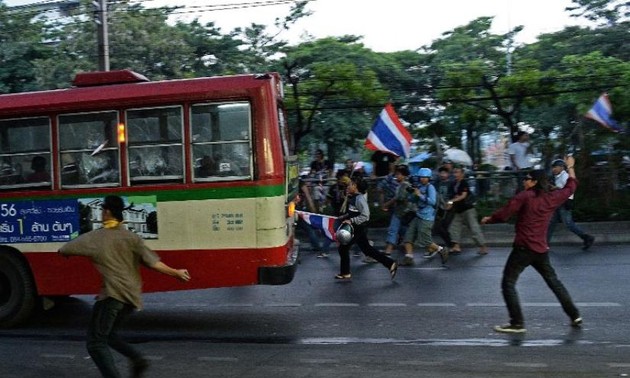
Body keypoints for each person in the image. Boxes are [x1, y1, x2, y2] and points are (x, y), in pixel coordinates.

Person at [58, 195, 191, 377]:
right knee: (110, 335)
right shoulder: (132, 237)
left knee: (96, 343)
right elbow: (153, 263)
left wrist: (68, 254)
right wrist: (176, 272)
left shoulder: (95, 237)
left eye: (103, 210)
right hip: (131, 297)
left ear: (106, 212)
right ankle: (137, 359)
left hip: (112, 296)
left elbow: (65, 249)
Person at [480, 156, 582, 334]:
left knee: (508, 283)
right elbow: (571, 187)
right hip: (541, 249)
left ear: (534, 182)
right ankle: (574, 314)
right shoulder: (552, 197)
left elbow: (505, 213)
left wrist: (489, 219)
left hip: (523, 247)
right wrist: (571, 167)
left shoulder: (525, 196)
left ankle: (517, 323)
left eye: (527, 178)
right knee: (554, 282)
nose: (525, 181)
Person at [335, 175, 398, 280]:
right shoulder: (354, 198)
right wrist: (344, 216)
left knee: (343, 248)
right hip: (357, 227)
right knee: (367, 250)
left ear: (355, 187)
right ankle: (390, 263)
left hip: (357, 228)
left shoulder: (359, 199)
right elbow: (354, 212)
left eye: (350, 184)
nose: (347, 186)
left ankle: (345, 272)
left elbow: (365, 216)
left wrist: (351, 220)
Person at [400, 168, 448, 266]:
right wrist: (411, 193)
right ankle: (409, 257)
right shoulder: (419, 187)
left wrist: (420, 195)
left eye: (425, 177)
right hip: (418, 215)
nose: (423, 179)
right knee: (408, 236)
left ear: (429, 178)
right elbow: (412, 200)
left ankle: (441, 250)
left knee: (425, 240)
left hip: (427, 217)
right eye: (421, 177)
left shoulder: (430, 187)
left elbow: (432, 201)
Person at [547, 159, 595, 250]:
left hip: (564, 202)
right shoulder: (557, 176)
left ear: (561, 167)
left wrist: (554, 188)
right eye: (552, 167)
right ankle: (545, 244)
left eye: (555, 167)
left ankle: (587, 237)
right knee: (551, 222)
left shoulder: (565, 176)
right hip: (558, 202)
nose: (553, 169)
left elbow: (567, 189)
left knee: (568, 223)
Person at [447, 166, 488, 255]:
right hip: (458, 210)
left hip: (468, 209)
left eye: (457, 172)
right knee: (453, 228)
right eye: (454, 172)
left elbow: (463, 195)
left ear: (462, 174)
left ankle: (482, 246)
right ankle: (456, 246)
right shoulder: (454, 184)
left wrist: (452, 201)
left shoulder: (463, 183)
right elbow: (454, 196)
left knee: (474, 228)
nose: (455, 174)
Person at [383, 164, 414, 257]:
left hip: (401, 211)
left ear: (404, 175)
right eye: (396, 174)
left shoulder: (405, 185)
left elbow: (398, 198)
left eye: (399, 174)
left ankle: (389, 250)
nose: (397, 176)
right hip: (403, 211)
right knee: (402, 231)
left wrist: (386, 204)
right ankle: (407, 251)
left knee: (393, 230)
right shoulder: (402, 185)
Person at [432, 166, 454, 251]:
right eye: (441, 173)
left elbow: (453, 196)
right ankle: (450, 244)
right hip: (439, 208)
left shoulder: (451, 183)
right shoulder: (437, 183)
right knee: (439, 227)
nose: (442, 175)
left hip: (449, 208)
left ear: (448, 174)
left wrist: (450, 203)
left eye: (444, 173)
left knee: (444, 226)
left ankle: (450, 244)